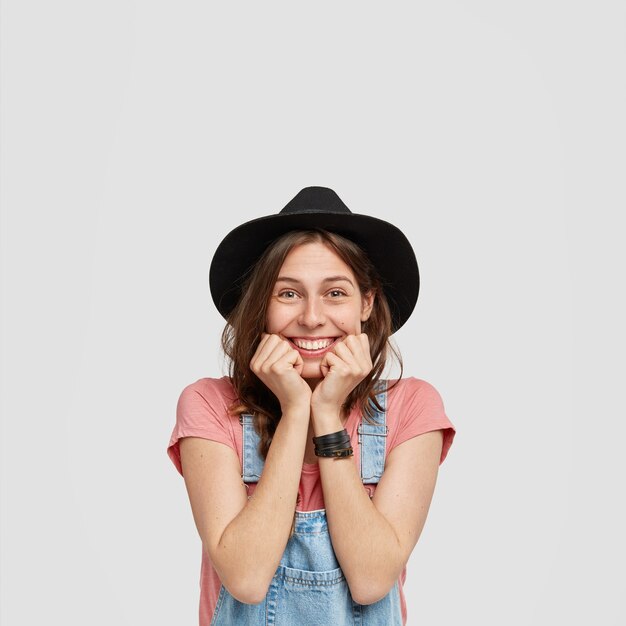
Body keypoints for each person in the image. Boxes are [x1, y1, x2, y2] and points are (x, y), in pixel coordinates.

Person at [167, 186, 456, 625]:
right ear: (261, 305)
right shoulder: (208, 405)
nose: (312, 317)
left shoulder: (413, 407)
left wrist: (326, 414)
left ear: (368, 302)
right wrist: (296, 409)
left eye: (335, 293)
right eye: (288, 294)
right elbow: (245, 578)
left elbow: (372, 578)